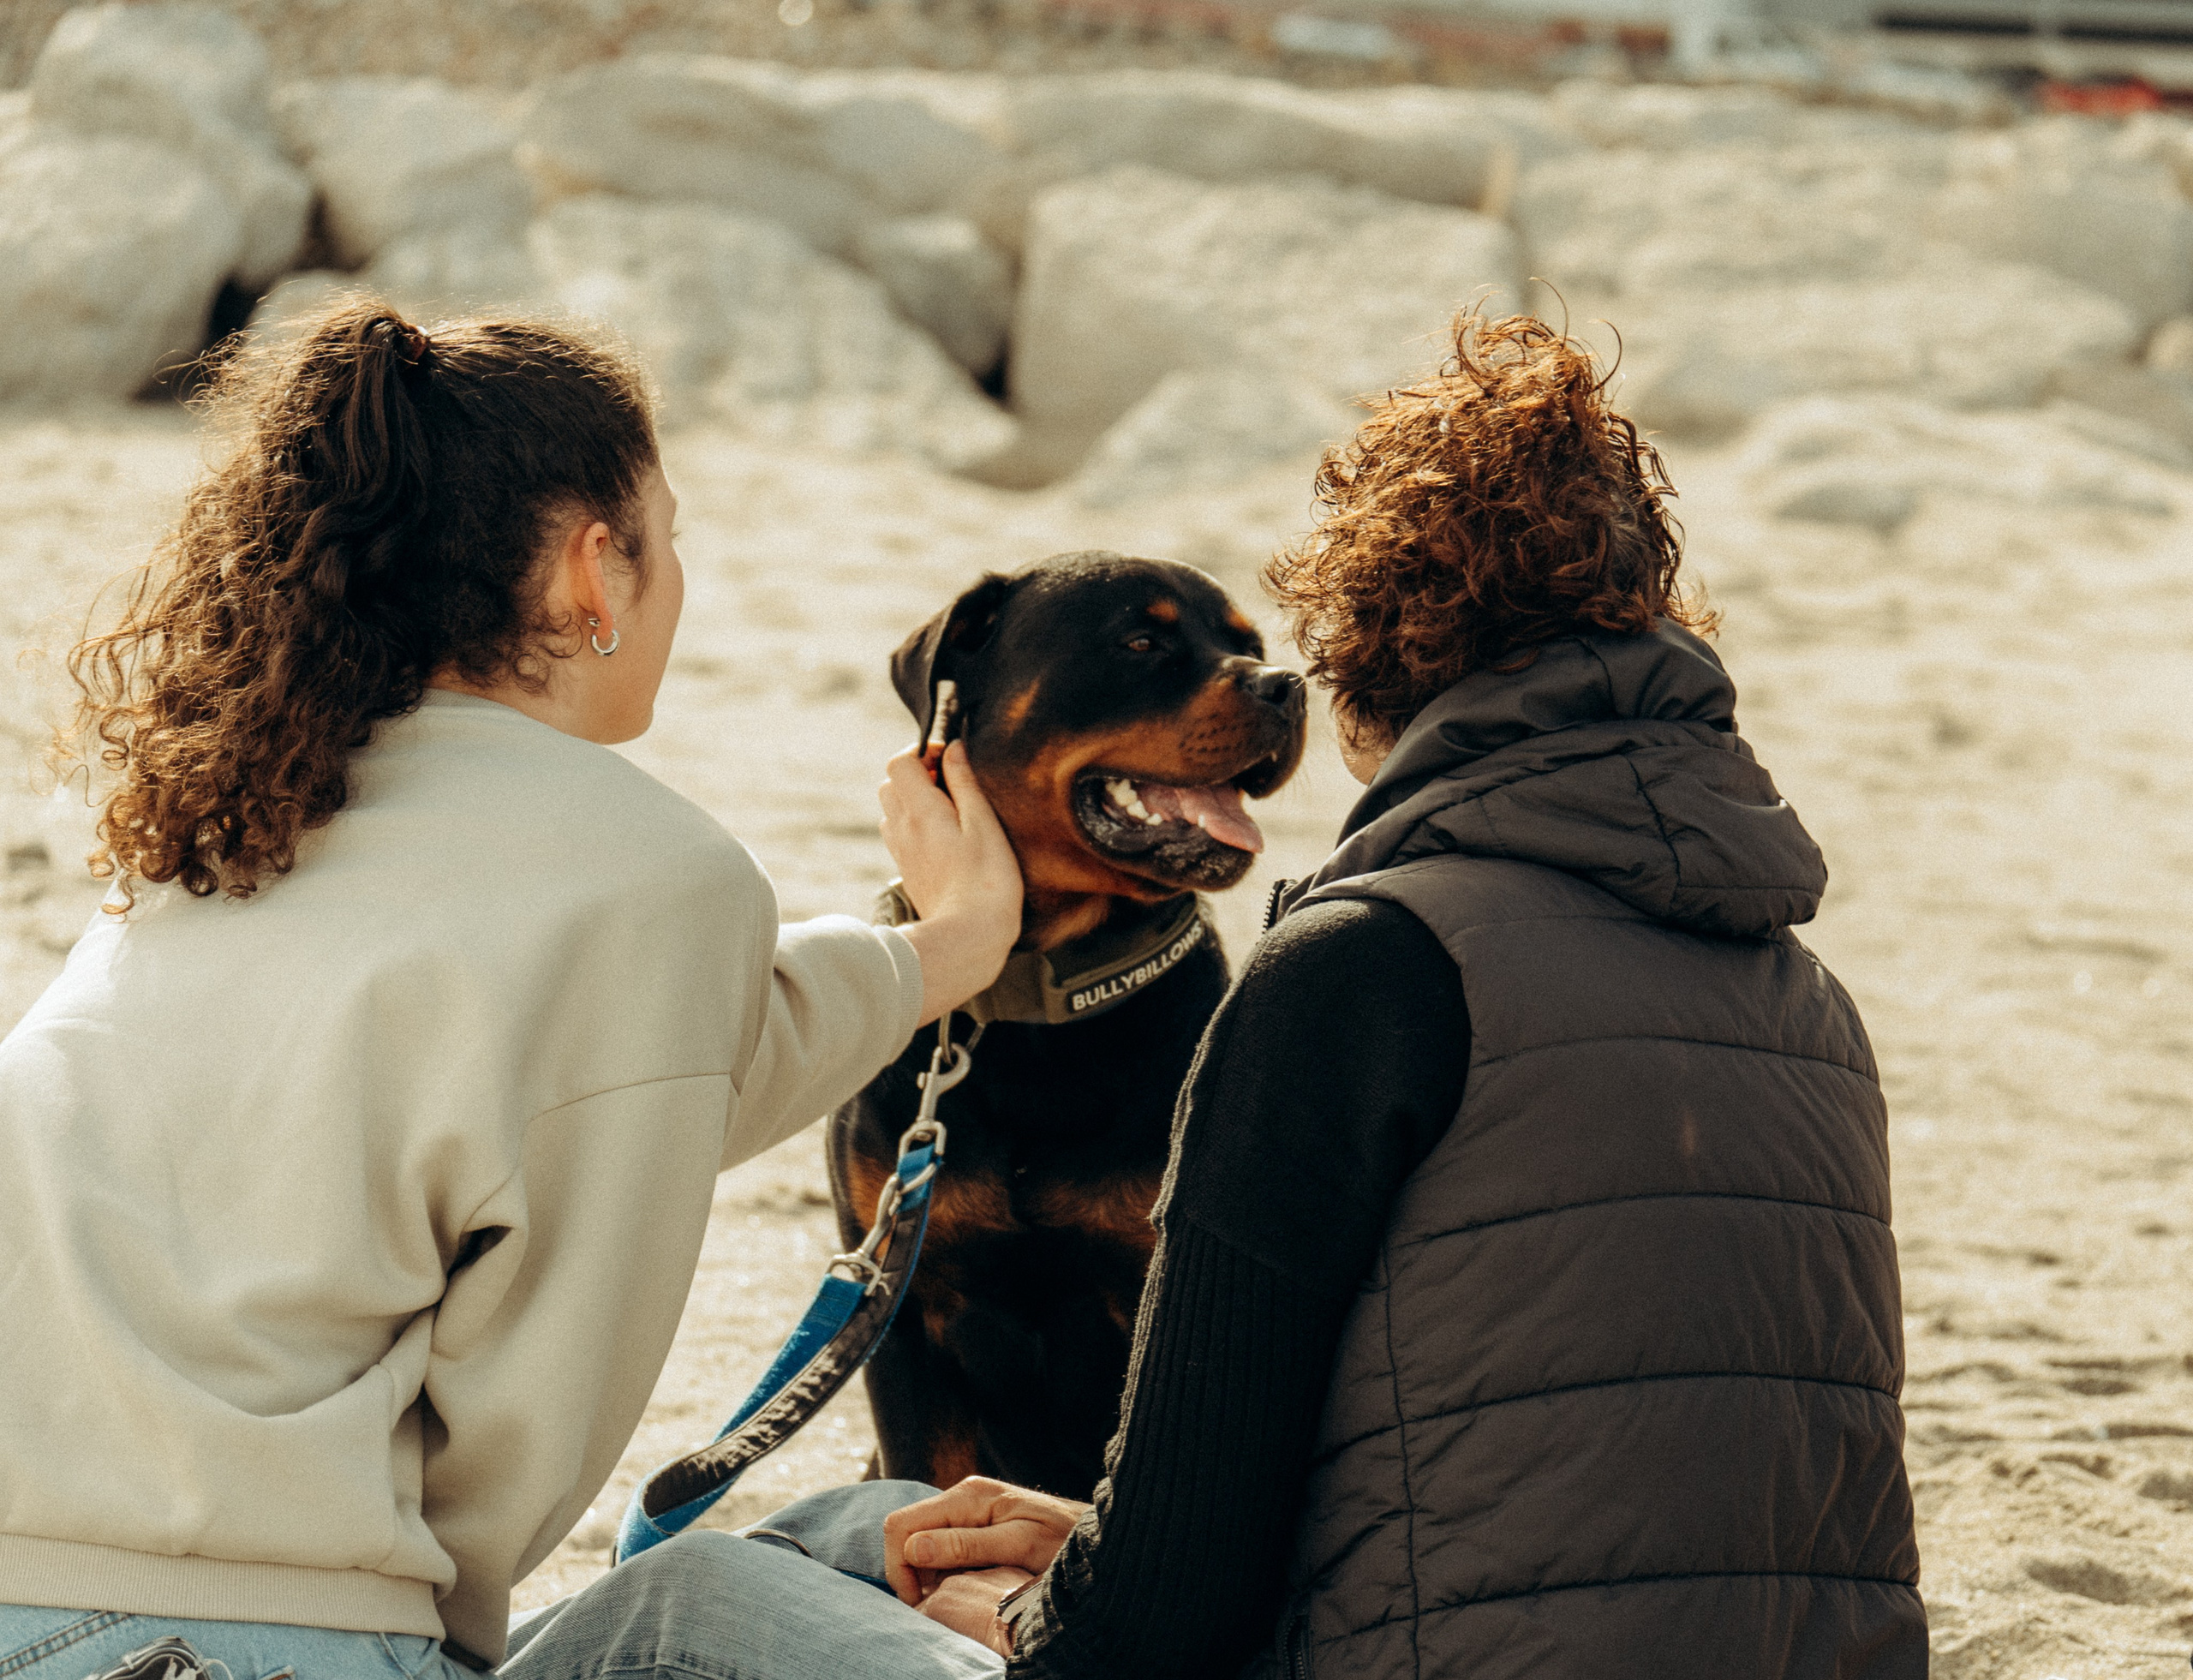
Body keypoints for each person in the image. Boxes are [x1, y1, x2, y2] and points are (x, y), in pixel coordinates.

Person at [610, 312, 1928, 1680]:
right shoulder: (1813, 1004)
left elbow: (1158, 1618)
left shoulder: (1365, 975)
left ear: (1371, 651)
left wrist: (1039, 1610)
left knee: (685, 1595)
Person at [0, 301, 1020, 1680]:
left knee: (850, 1534)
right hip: (253, 1647)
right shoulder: (651, 876)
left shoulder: (229, 822)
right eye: (672, 534)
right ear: (598, 571)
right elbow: (510, 1467)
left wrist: (945, 943)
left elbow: (636, 1061)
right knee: (723, 1593)